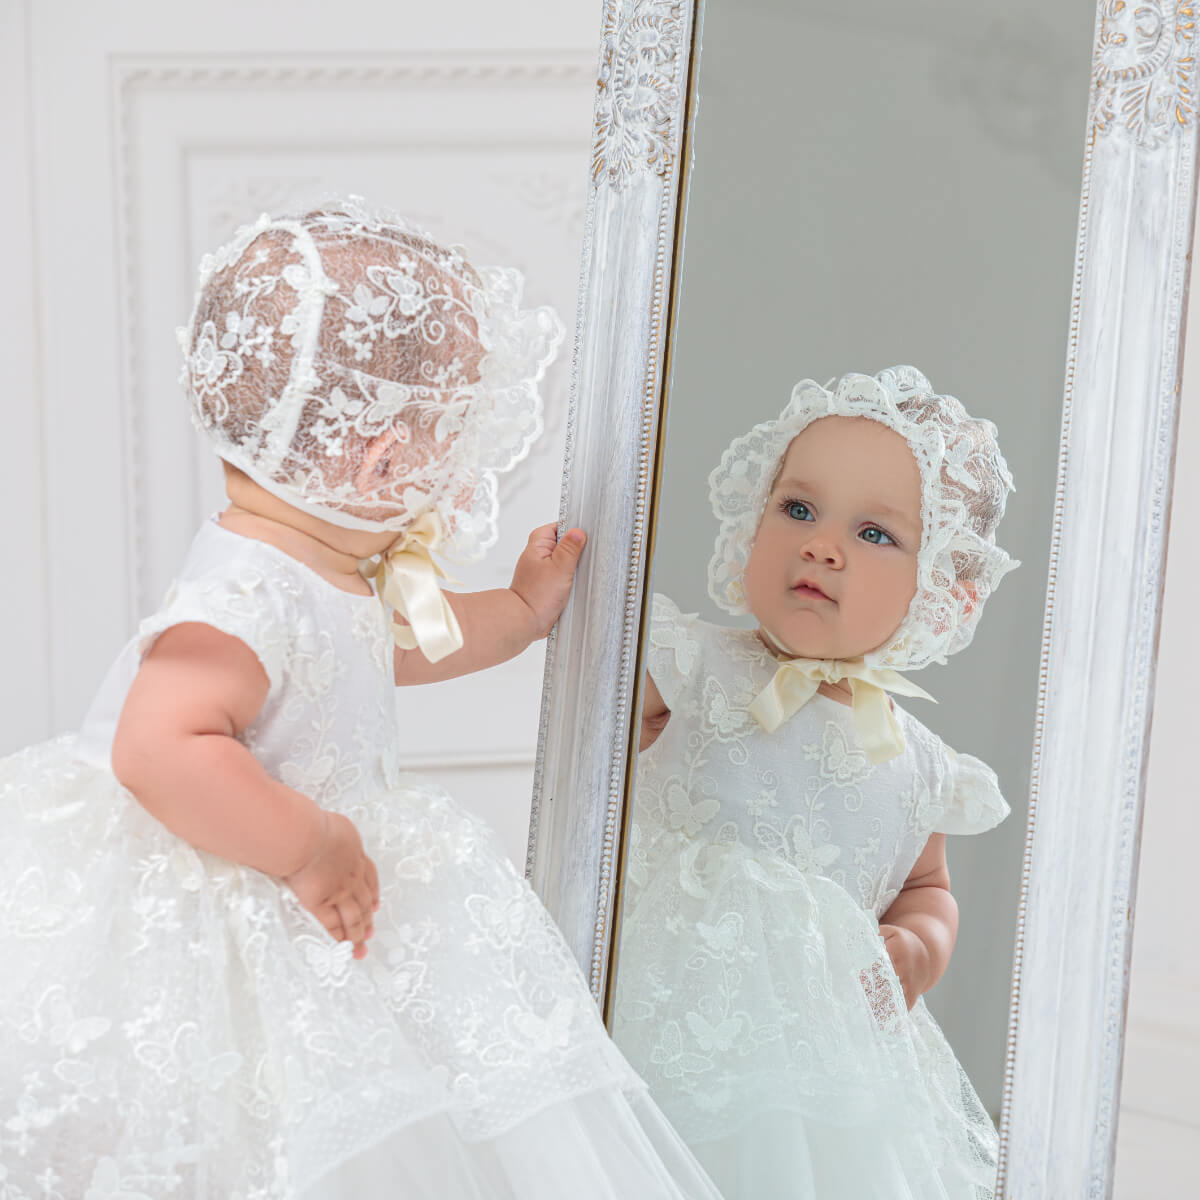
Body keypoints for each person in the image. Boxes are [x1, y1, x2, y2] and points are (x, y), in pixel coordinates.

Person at [0, 201, 722, 1200]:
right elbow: (158, 748)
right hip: (218, 909)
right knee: (237, 1137)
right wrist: (303, 845)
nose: (455, 475)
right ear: (378, 455)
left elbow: (392, 649)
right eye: (449, 446)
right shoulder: (243, 591)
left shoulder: (330, 572)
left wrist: (520, 610)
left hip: (296, 895)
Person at [612, 366, 1018, 1199]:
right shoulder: (692, 666)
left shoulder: (920, 760)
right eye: (798, 508)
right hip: (663, 1014)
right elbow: (594, 731)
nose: (821, 544)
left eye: (875, 534)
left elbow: (927, 887)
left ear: (941, 592)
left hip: (826, 1061)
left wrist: (918, 945)